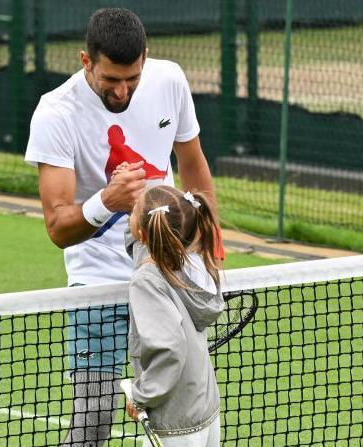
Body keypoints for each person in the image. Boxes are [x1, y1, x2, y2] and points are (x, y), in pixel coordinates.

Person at [24, 7, 221, 446]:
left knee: (189, 412)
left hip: (170, 270)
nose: (122, 90)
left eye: (131, 78)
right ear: (86, 61)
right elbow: (58, 226)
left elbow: (192, 165)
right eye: (111, 80)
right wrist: (105, 202)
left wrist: (209, 248)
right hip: (98, 281)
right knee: (93, 419)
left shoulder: (169, 80)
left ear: (145, 59)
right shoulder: (55, 113)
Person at [124, 185, 223, 447]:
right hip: (206, 414)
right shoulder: (194, 263)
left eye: (132, 212)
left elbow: (170, 348)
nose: (130, 214)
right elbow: (146, 247)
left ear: (145, 233)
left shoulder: (147, 280)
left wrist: (142, 395)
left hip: (175, 427)